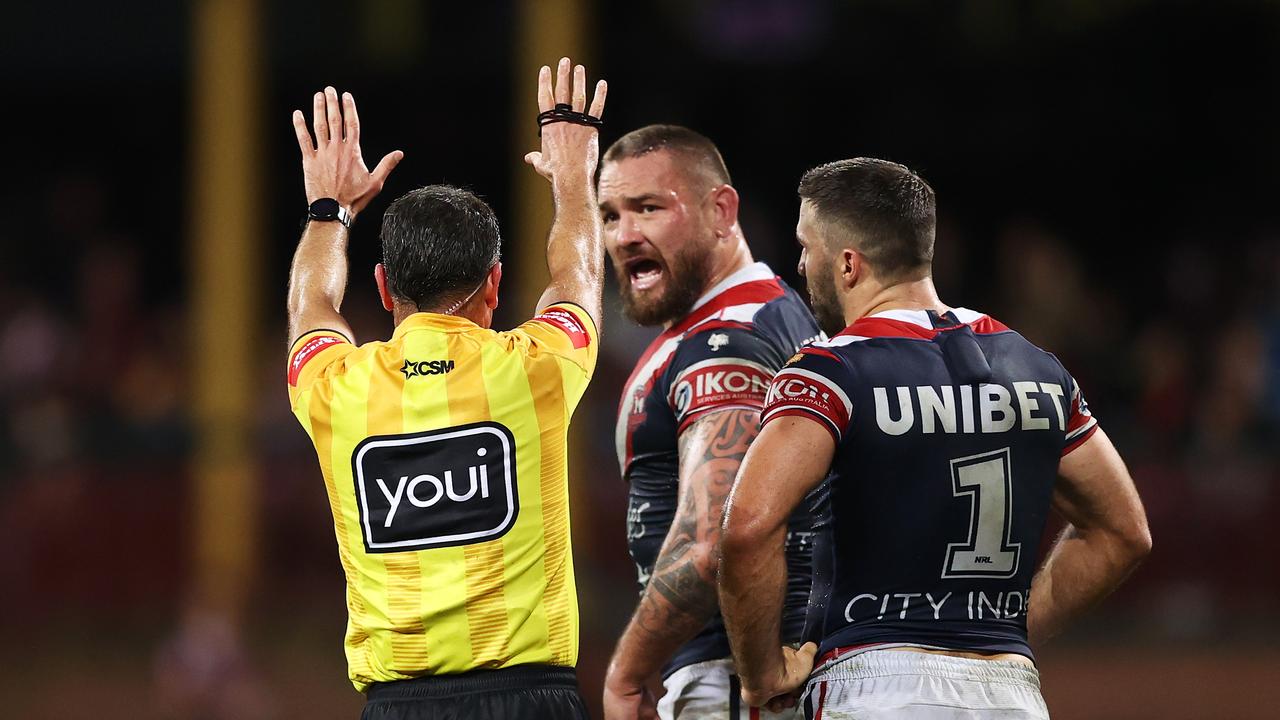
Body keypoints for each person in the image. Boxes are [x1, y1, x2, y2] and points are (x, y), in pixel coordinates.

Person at [718, 158, 1153, 719]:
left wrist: (761, 676)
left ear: (849, 264)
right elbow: (1125, 532)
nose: (800, 264)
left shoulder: (829, 373)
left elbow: (747, 527)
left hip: (872, 685)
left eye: (807, 247)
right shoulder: (1038, 367)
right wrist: (1008, 631)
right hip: (1010, 693)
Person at [285, 58, 607, 719]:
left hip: (399, 705)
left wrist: (330, 209)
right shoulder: (535, 370)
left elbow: (309, 303)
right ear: (494, 284)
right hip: (532, 701)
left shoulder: (337, 387)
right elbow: (579, 277)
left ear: (381, 287)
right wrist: (574, 184)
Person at [598, 125, 825, 720]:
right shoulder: (764, 313)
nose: (625, 236)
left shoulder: (728, 339)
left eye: (648, 208)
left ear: (721, 210)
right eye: (610, 214)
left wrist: (629, 670)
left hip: (732, 680)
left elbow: (709, 542)